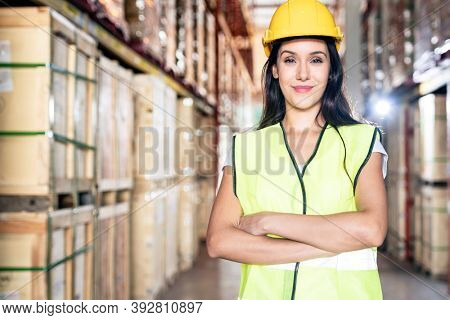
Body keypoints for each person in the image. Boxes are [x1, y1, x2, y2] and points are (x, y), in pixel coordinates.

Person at [206, 0, 388, 300]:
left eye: (316, 59)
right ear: (275, 69)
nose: (303, 74)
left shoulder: (363, 141)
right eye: (290, 60)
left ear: (331, 68)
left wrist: (268, 221)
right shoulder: (246, 148)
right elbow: (219, 240)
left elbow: (371, 229)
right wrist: (324, 243)